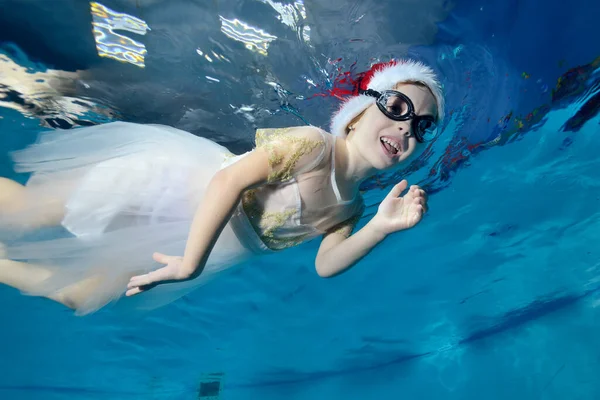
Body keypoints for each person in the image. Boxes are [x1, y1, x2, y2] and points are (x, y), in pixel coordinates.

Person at [0, 59, 444, 315]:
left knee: (82, 295)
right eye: (397, 106)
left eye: (422, 126)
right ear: (359, 111)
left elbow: (326, 265)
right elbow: (228, 179)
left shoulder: (351, 207)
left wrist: (380, 227)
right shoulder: (312, 145)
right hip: (168, 190)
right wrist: (192, 263)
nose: (407, 127)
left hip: (190, 246)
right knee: (31, 210)